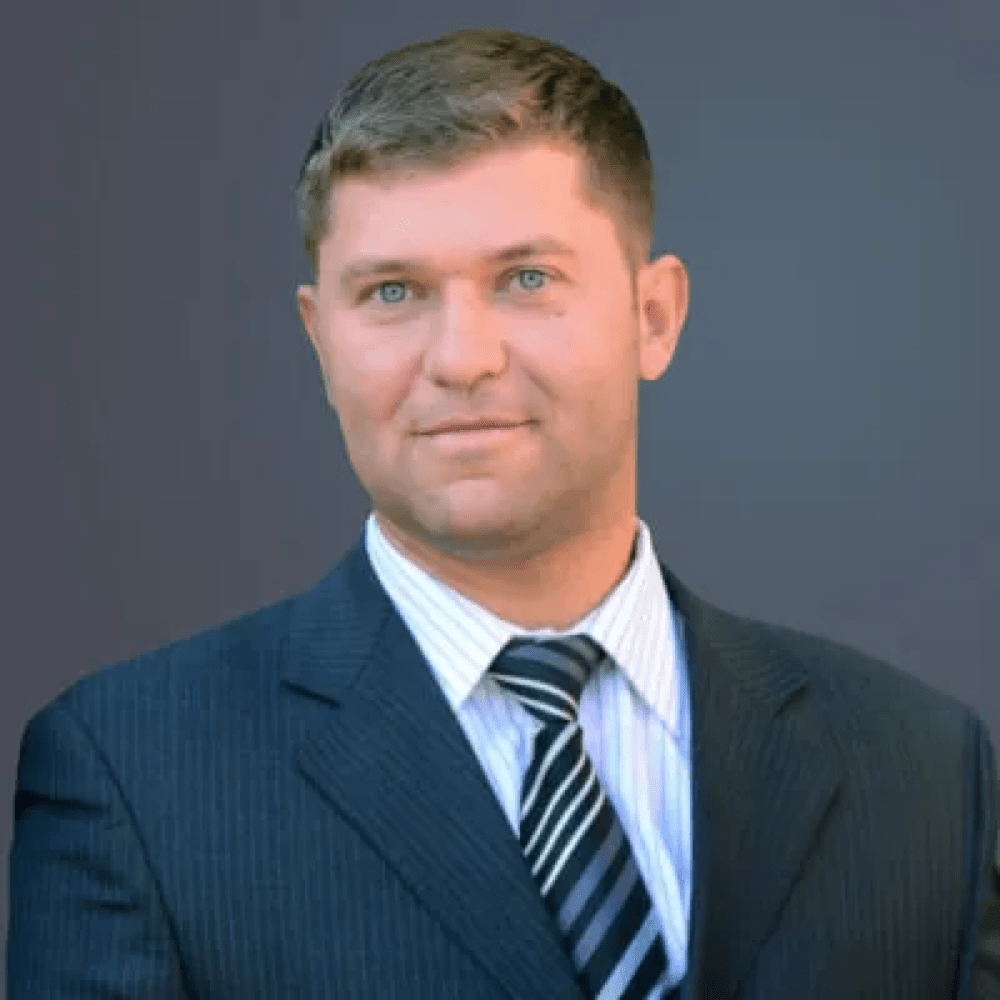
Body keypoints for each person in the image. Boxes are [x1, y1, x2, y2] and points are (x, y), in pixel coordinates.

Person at [6, 25, 999, 1000]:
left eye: (527, 279)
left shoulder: (925, 772)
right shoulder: (133, 775)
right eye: (392, 291)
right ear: (321, 343)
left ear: (653, 317)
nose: (462, 358)